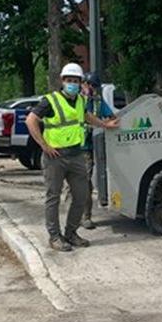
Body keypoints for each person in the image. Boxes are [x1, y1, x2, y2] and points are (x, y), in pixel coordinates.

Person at [26, 63, 120, 252]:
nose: (73, 84)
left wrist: (104, 124)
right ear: (62, 81)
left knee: (81, 195)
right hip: (55, 157)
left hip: (76, 154)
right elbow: (31, 120)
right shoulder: (50, 100)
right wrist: (44, 145)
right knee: (53, 197)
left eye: (76, 81)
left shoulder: (80, 100)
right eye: (69, 81)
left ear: (80, 82)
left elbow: (86, 117)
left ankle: (71, 233)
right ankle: (55, 237)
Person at [80, 72, 115, 230]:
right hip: (72, 147)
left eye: (94, 86)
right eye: (89, 85)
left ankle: (85, 216)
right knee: (74, 183)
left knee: (85, 182)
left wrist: (107, 122)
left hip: (88, 148)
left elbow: (110, 117)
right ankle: (75, 215)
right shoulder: (76, 102)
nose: (92, 89)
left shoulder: (98, 103)